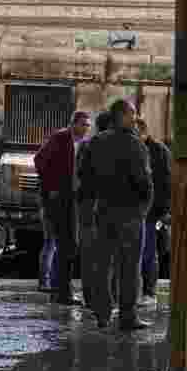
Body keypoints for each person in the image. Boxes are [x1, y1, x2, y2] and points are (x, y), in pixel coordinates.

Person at [78, 99, 152, 330]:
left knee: (102, 265)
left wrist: (91, 207)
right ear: (123, 116)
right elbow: (144, 182)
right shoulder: (135, 144)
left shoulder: (96, 142)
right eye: (132, 114)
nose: (135, 119)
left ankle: (102, 314)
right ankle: (127, 316)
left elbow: (84, 177)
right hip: (130, 214)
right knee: (129, 268)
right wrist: (143, 208)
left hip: (104, 211)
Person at [34, 111, 91, 305]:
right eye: (83, 124)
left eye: (87, 125)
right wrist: (51, 188)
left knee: (68, 245)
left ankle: (61, 290)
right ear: (73, 124)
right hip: (58, 201)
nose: (86, 128)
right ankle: (60, 291)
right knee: (63, 243)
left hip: (73, 201)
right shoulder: (60, 138)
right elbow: (39, 160)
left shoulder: (83, 144)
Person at [75, 110, 113, 308]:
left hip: (87, 205)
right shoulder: (117, 146)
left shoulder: (86, 145)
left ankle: (90, 297)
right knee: (107, 256)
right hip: (106, 207)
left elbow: (80, 173)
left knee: (88, 254)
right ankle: (104, 298)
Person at [137, 119, 172, 304]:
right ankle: (144, 292)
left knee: (149, 253)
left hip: (152, 212)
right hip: (142, 211)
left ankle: (149, 292)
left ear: (143, 133)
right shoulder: (145, 149)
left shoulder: (158, 151)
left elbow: (166, 185)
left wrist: (164, 212)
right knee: (143, 253)